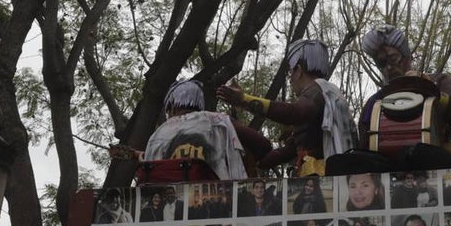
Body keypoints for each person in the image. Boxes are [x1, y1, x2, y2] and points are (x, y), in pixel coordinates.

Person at [217, 39, 358, 175]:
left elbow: (294, 113)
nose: (290, 79)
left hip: (327, 177)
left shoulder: (319, 90)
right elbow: (289, 150)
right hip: (314, 179)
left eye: (291, 72)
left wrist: (244, 100)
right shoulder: (324, 97)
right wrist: (255, 161)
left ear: (298, 70)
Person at [359, 25, 451, 164]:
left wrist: (429, 88)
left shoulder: (439, 81)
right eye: (382, 63)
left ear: (407, 57)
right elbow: (365, 147)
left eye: (393, 58)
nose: (388, 67)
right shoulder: (374, 103)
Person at [141, 80, 271, 180]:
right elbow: (263, 144)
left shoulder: (157, 135)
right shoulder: (220, 121)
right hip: (223, 206)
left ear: (171, 106)